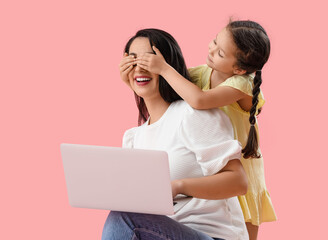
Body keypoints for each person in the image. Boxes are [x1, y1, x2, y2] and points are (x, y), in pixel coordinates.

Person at [132, 20, 277, 240]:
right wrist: (137, 72)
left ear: (238, 68)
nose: (211, 49)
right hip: (216, 160)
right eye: (214, 41)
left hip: (242, 166)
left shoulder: (243, 84)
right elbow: (169, 84)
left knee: (241, 226)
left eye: (220, 52)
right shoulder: (202, 74)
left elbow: (199, 99)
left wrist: (163, 67)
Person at [102, 28, 249, 240]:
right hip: (163, 232)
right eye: (132, 61)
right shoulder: (134, 138)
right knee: (123, 214)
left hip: (214, 235)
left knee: (123, 218)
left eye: (147, 60)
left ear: (165, 65)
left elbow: (238, 182)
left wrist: (178, 186)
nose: (139, 68)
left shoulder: (191, 115)